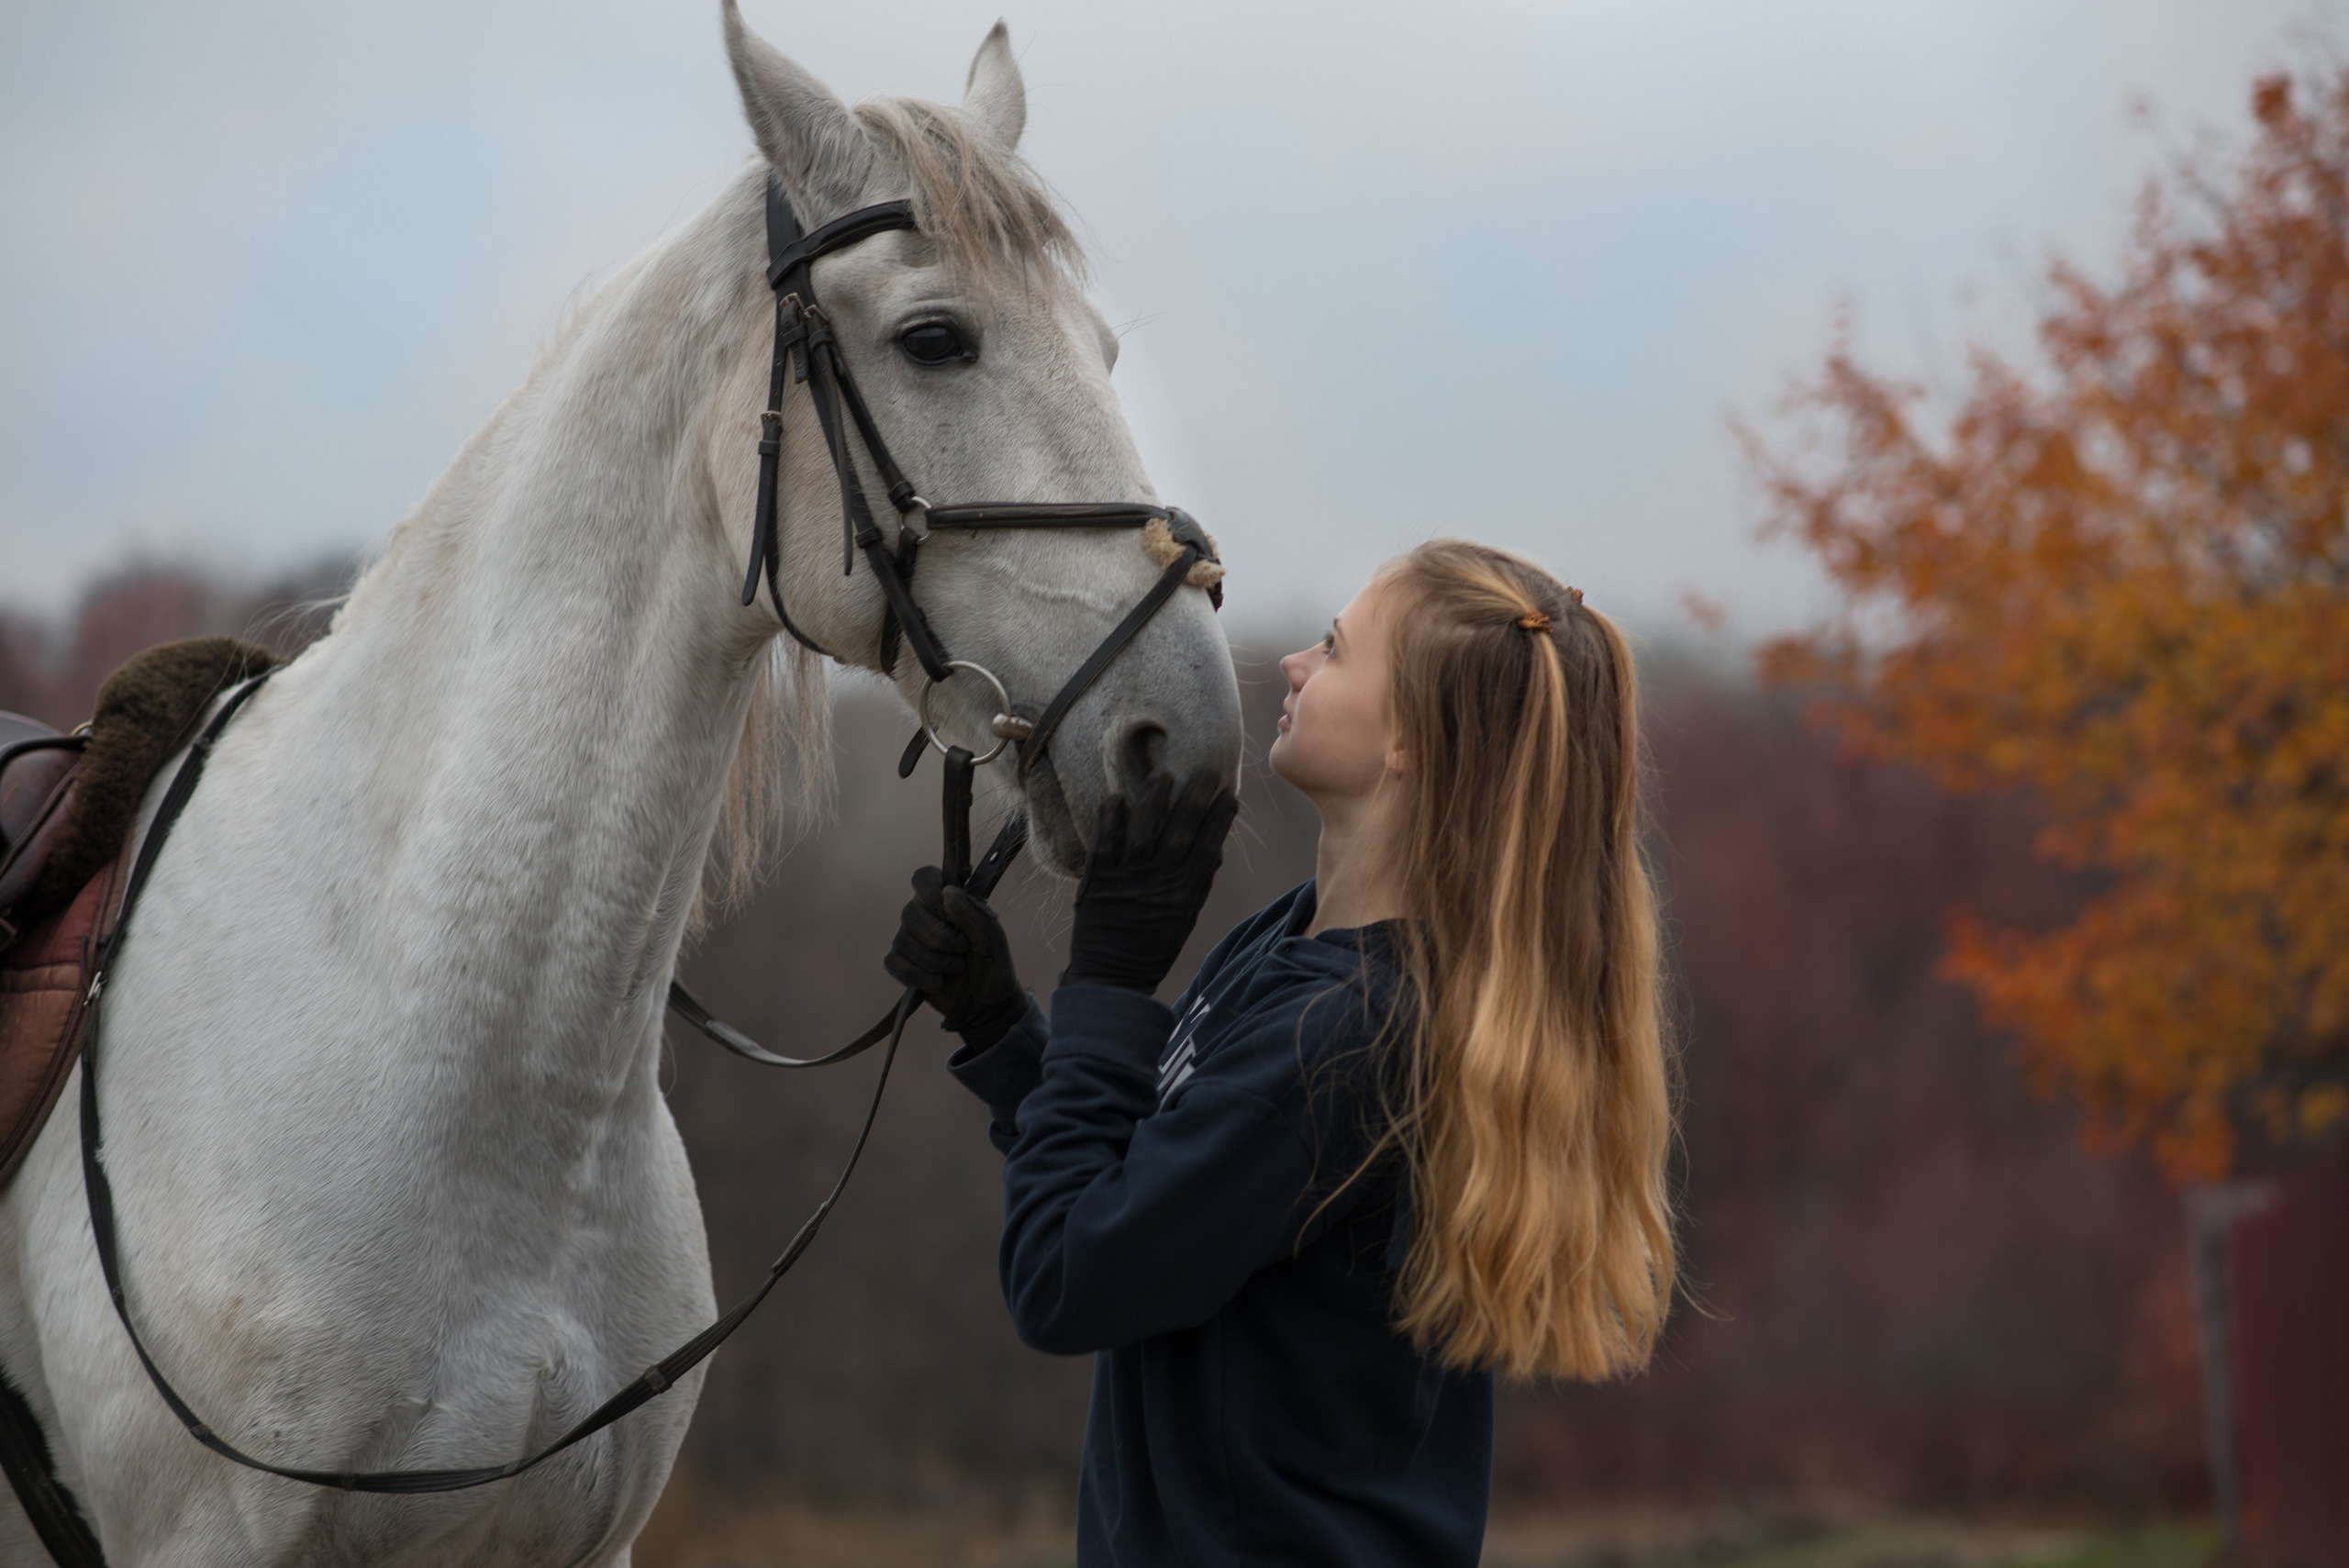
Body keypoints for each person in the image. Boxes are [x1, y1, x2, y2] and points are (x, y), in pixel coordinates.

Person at [884, 539, 1676, 1567]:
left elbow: (1069, 1276)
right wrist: (1002, 1029)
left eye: (1337, 650)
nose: (1295, 664)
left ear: (1412, 744)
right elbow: (1164, 1196)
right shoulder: (1298, 947)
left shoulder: (1348, 1036)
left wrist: (1112, 984)